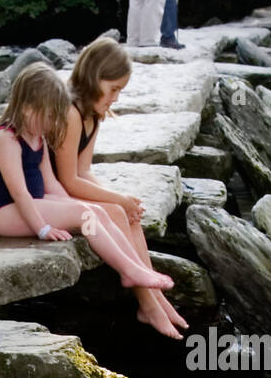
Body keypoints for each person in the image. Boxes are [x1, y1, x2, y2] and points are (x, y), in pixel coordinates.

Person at [0, 62, 176, 304]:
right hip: (6, 213)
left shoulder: (37, 136)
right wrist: (43, 228)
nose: (53, 124)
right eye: (50, 115)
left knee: (93, 211)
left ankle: (135, 266)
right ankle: (128, 271)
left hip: (33, 203)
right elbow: (20, 193)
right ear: (28, 107)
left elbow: (51, 183)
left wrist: (72, 206)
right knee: (84, 214)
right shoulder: (7, 140)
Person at [48, 37, 189, 339]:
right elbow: (68, 179)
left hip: (65, 190)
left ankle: (154, 295)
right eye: (114, 89)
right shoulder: (70, 113)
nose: (116, 98)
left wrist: (124, 203)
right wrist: (116, 199)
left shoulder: (93, 115)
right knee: (116, 208)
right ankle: (147, 303)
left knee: (128, 213)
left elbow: (84, 170)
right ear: (93, 77)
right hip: (48, 196)